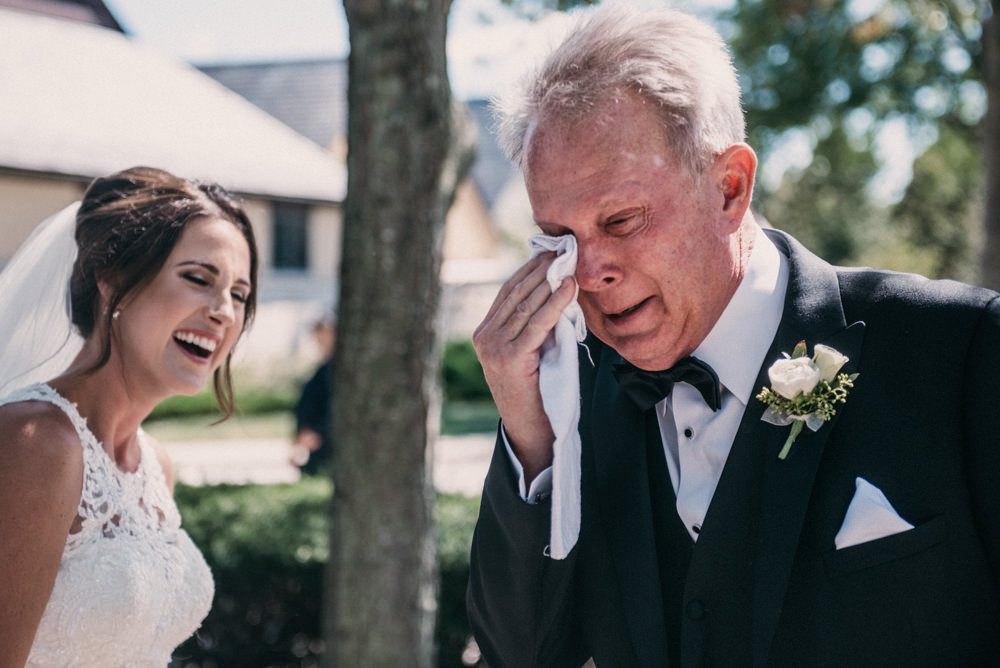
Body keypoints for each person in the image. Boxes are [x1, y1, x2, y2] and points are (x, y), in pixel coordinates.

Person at [466, 5, 1000, 667]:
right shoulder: (568, 410)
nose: (593, 270)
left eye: (622, 220)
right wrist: (529, 436)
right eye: (561, 238)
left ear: (728, 188)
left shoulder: (964, 352)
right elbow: (518, 655)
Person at [0, 166, 259, 667]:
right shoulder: (35, 442)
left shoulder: (156, 467)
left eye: (239, 294)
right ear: (112, 276)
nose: (224, 311)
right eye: (198, 279)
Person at [290, 314, 336, 475]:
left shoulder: (333, 371)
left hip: (323, 440)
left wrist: (318, 433)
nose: (320, 342)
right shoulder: (324, 368)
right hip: (314, 440)